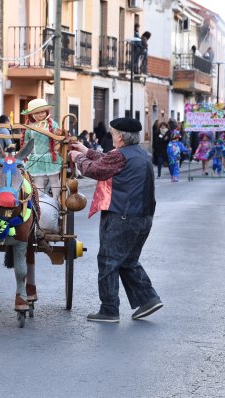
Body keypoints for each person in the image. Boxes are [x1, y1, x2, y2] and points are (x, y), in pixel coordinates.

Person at [69, 117, 162, 322]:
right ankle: (148, 299)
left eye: (112, 133)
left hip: (123, 216)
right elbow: (107, 160)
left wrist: (78, 158)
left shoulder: (121, 156)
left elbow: (96, 170)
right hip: (143, 216)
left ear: (120, 136)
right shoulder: (140, 153)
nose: (111, 136)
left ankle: (109, 309)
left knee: (108, 260)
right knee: (127, 260)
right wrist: (85, 150)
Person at [21, 98, 63, 200]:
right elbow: (27, 142)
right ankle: (40, 203)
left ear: (46, 112)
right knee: (38, 182)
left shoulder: (53, 124)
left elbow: (58, 140)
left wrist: (58, 143)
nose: (41, 114)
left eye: (43, 112)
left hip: (50, 157)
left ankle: (56, 201)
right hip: (35, 158)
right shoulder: (29, 126)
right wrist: (25, 154)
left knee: (54, 180)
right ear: (32, 114)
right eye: (38, 113)